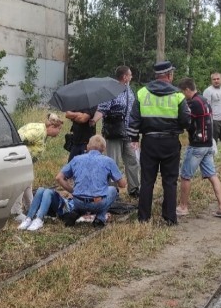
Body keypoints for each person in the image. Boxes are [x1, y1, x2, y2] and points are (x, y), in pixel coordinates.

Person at [128, 60, 190, 225]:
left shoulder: (142, 93)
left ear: (156, 76)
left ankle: (143, 217)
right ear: (169, 75)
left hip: (149, 141)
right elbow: (186, 120)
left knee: (147, 180)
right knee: (170, 180)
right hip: (170, 142)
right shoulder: (178, 95)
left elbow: (133, 119)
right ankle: (170, 218)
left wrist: (134, 139)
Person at [176, 77, 221, 218]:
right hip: (208, 144)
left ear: (187, 90)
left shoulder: (193, 103)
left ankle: (183, 207)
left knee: (186, 176)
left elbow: (186, 121)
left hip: (197, 146)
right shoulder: (204, 100)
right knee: (213, 175)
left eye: (182, 92)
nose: (182, 95)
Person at [90, 66, 141, 198]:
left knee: (132, 160)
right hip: (114, 131)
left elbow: (133, 109)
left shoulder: (129, 90)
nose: (131, 77)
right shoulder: (111, 91)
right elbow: (103, 108)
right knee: (113, 161)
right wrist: (94, 120)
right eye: (130, 75)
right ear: (124, 77)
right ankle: (112, 191)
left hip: (128, 132)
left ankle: (134, 188)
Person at [55, 134, 126, 228]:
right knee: (113, 190)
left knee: (83, 201)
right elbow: (122, 185)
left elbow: (59, 178)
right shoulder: (108, 161)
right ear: (104, 149)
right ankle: (100, 218)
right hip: (97, 202)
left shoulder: (76, 159)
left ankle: (76, 212)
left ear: (88, 146)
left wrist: (73, 191)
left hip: (77, 201)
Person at [14, 113, 64, 219]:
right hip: (20, 161)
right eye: (59, 129)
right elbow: (18, 138)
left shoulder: (43, 132)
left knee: (27, 184)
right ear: (52, 127)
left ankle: (31, 208)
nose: (59, 132)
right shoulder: (38, 131)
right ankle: (16, 213)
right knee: (21, 184)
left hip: (26, 162)